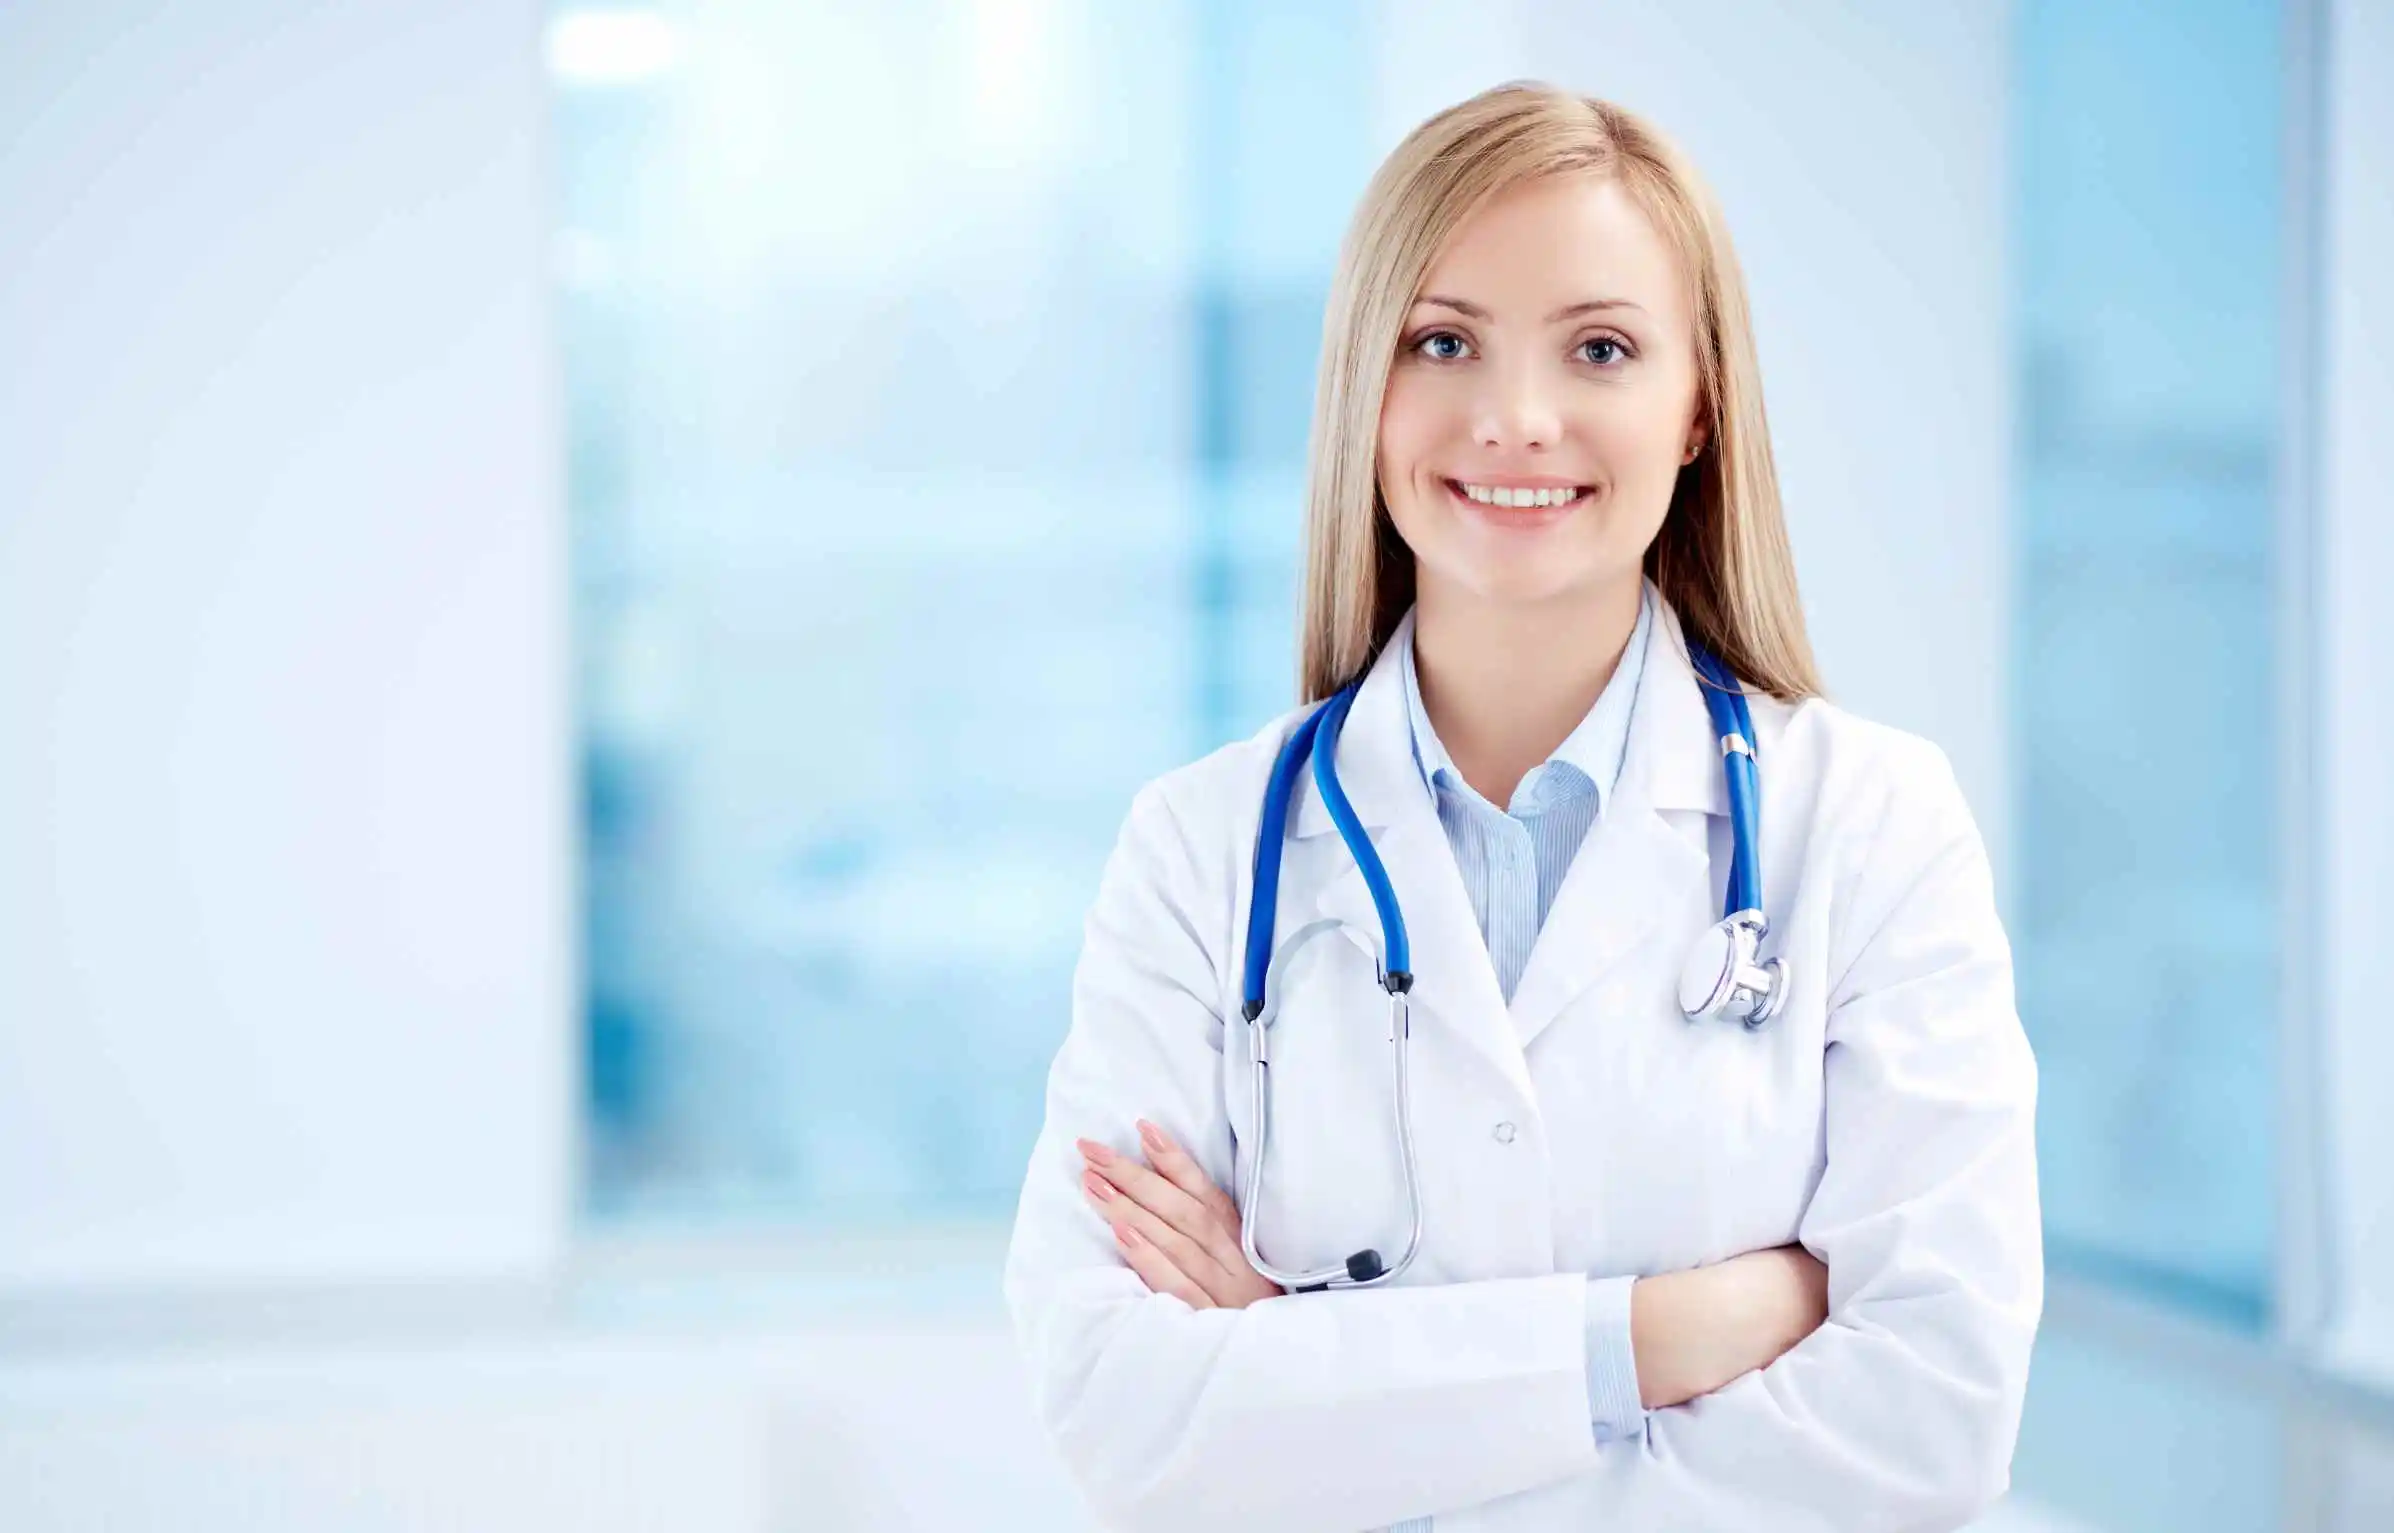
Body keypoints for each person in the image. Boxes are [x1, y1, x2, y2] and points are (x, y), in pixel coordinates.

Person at [1003, 81, 2041, 1533]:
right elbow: (1124, 1413)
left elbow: (1927, 1425)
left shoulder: (1867, 827)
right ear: (1364, 391)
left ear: (1696, 414)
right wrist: (1659, 1338)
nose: (1514, 419)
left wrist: (1314, 1379)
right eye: (1442, 342)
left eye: (1600, 349)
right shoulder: (1198, 852)